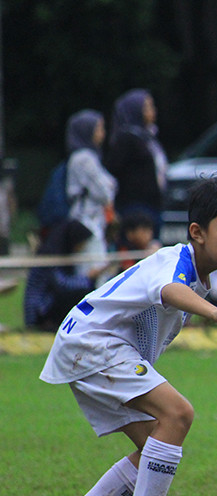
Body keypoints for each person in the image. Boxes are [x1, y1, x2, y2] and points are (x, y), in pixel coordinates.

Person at [36, 176, 217, 496]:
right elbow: (169, 290)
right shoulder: (177, 262)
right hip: (93, 342)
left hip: (86, 343)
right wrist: (215, 312)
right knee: (179, 415)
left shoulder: (198, 276)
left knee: (155, 447)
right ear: (197, 233)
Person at [23, 219, 111, 331]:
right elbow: (61, 285)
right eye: (81, 244)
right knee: (81, 293)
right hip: (40, 310)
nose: (81, 248)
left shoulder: (59, 252)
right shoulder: (50, 257)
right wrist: (89, 277)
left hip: (46, 306)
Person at [104, 89, 167, 240]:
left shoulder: (148, 137)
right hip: (135, 207)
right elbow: (112, 170)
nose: (152, 111)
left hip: (152, 204)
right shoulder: (127, 138)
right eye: (147, 107)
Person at [65, 110, 118, 283]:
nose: (102, 133)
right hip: (87, 223)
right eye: (99, 128)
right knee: (93, 269)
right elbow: (104, 191)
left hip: (93, 221)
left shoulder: (89, 157)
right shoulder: (84, 158)